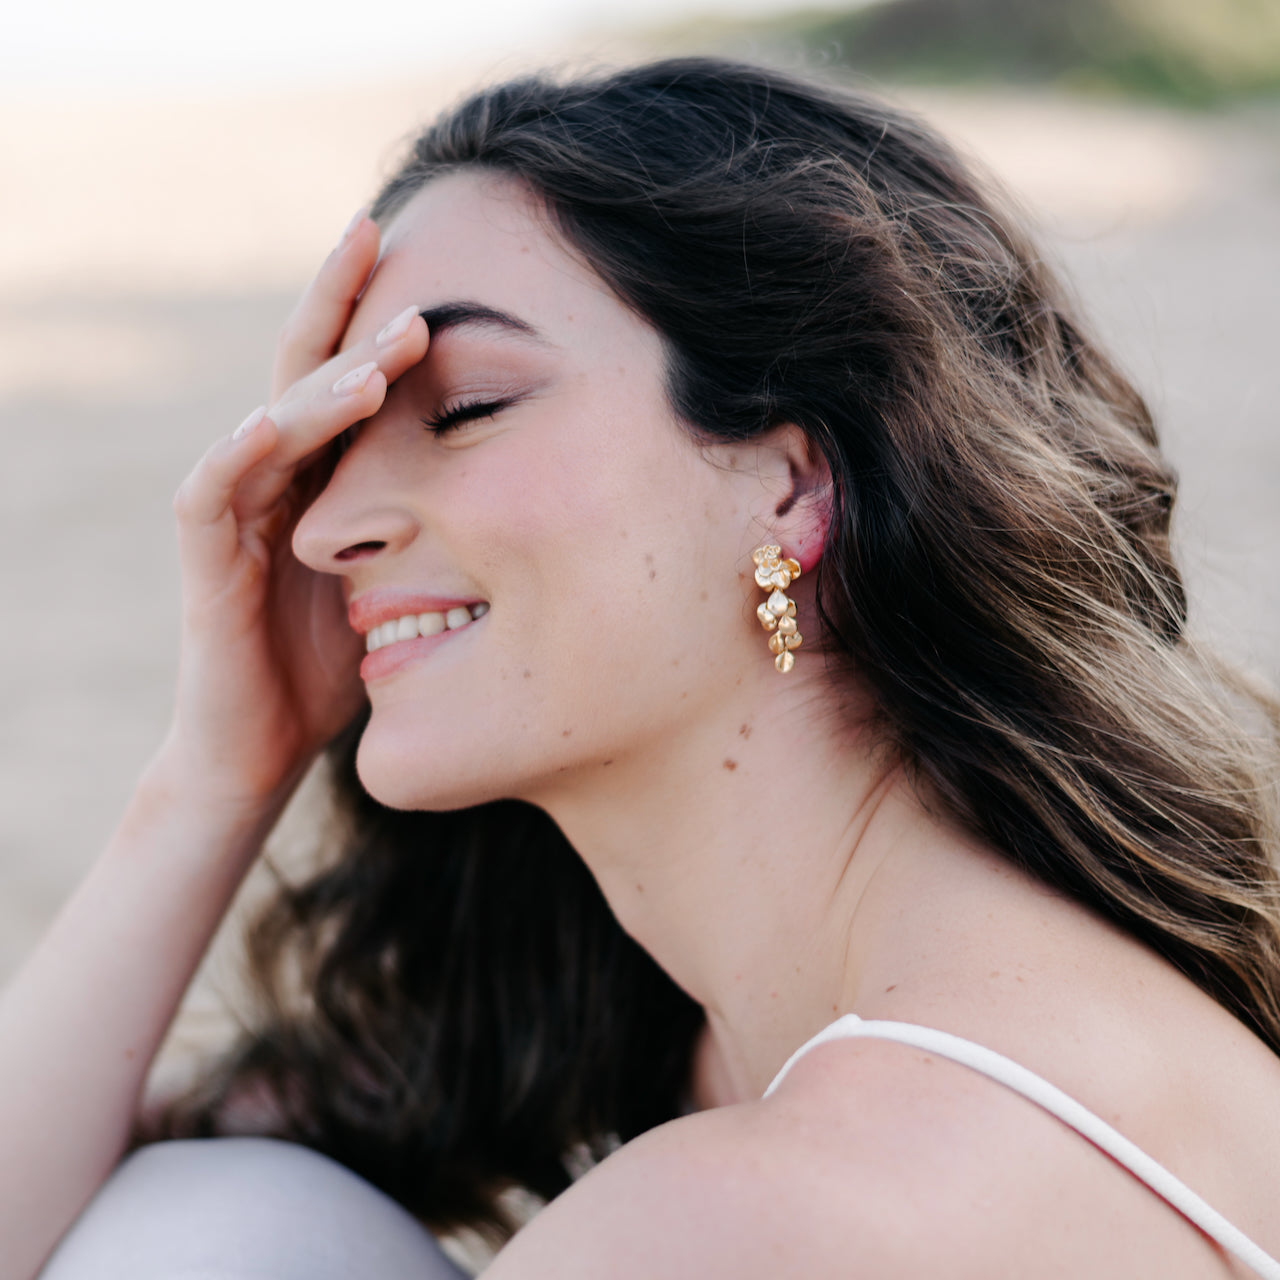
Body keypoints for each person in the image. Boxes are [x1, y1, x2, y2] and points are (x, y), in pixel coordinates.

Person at [4, 55, 1280, 1280]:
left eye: (463, 408)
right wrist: (219, 776)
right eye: (334, 447)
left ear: (788, 485)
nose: (322, 529)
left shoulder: (751, 1217)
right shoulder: (751, 1032)